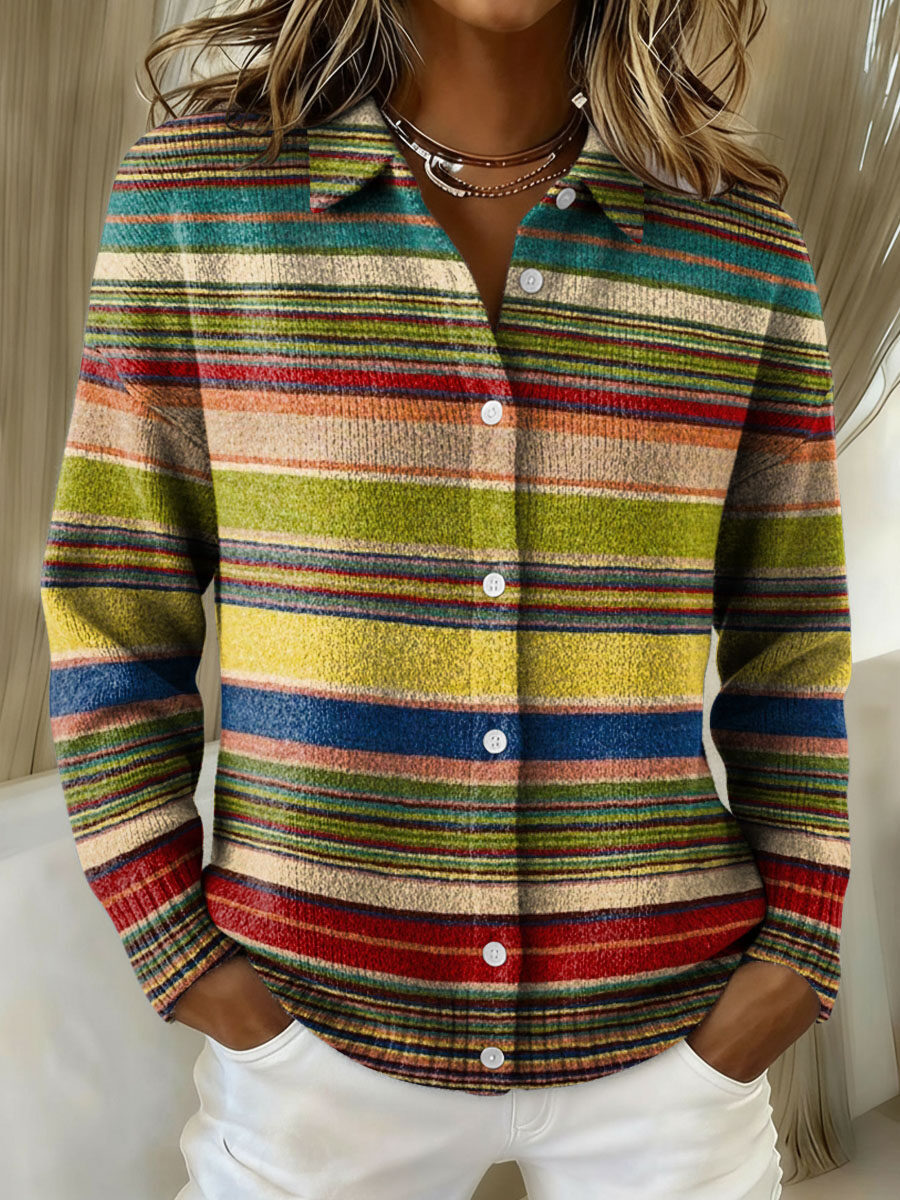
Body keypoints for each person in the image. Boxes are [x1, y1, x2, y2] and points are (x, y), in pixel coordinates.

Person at [39, 1, 852, 1197]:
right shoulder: (201, 198)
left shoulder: (733, 234)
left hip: (674, 1056)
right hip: (311, 1049)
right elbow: (115, 601)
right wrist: (187, 958)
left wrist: (796, 956)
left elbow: (793, 634)